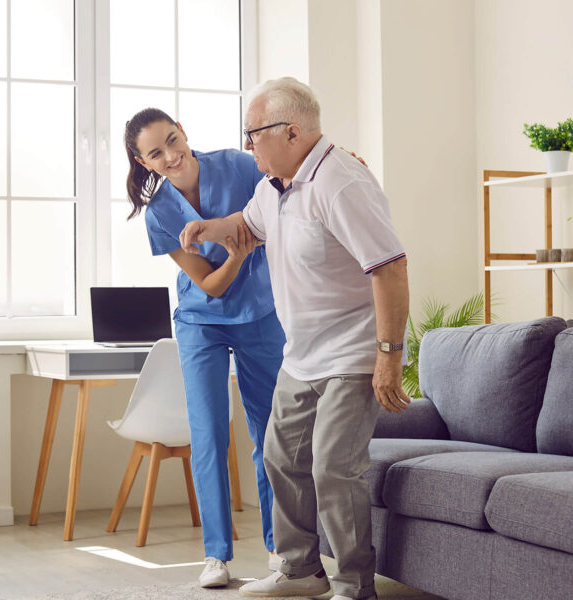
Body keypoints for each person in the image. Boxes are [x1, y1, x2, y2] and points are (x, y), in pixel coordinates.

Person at [179, 78, 411, 600]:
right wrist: (210, 228)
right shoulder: (274, 186)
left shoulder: (341, 183)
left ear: (291, 131)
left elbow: (390, 268)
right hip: (301, 355)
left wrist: (389, 357)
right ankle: (300, 571)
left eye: (252, 134)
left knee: (333, 467)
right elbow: (250, 226)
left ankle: (354, 586)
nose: (247, 145)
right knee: (280, 457)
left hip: (353, 353)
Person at [123, 108, 287, 589]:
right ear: (144, 161)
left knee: (270, 434)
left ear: (184, 132)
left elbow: (288, 184)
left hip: (261, 314)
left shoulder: (238, 166)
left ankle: (281, 547)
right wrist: (238, 253)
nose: (172, 155)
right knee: (209, 433)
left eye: (174, 140)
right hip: (201, 321)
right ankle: (216, 555)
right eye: (157, 152)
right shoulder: (159, 215)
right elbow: (211, 287)